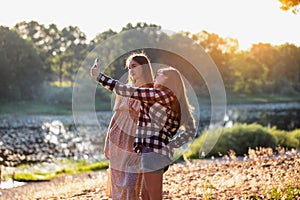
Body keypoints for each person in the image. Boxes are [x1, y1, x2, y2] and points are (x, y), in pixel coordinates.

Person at [91, 58, 196, 200]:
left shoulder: (159, 95)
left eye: (159, 74)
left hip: (153, 152)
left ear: (168, 80)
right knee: (146, 195)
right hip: (155, 152)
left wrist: (99, 77)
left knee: (152, 196)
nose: (155, 76)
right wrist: (170, 144)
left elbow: (125, 90)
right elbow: (191, 131)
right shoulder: (171, 98)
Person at [104, 52, 154, 200]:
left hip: (136, 142)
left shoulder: (152, 91)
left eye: (134, 66)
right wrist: (107, 142)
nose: (131, 70)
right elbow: (116, 117)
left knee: (130, 183)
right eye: (128, 67)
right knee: (118, 182)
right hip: (117, 139)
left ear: (144, 67)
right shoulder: (123, 90)